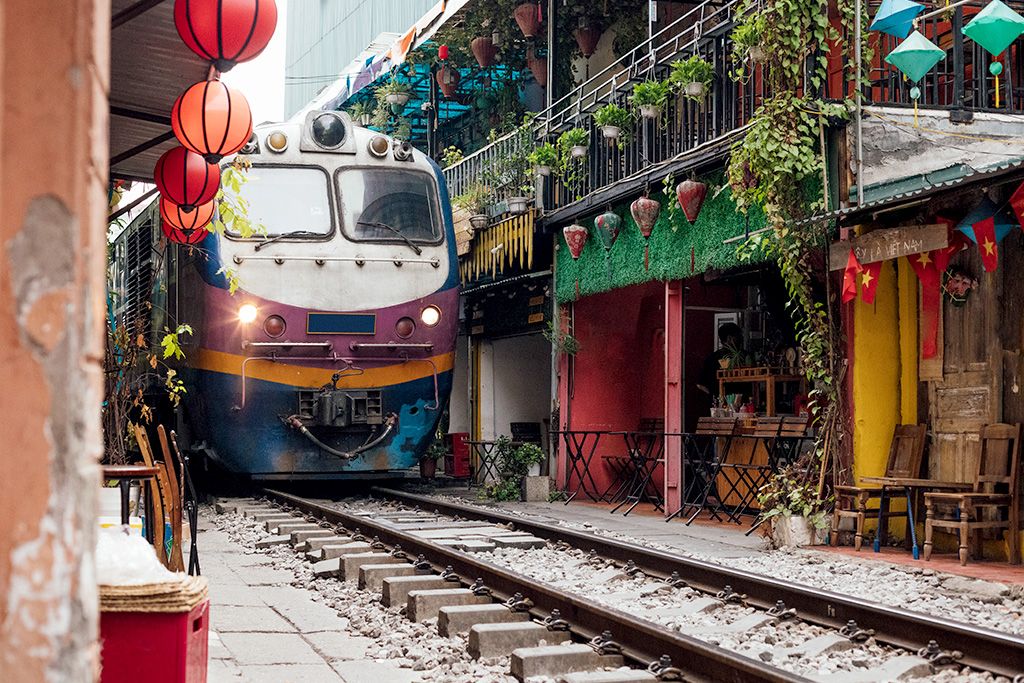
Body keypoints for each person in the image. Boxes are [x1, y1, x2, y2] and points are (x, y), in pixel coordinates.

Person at [697, 322, 744, 398]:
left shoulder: (711, 358)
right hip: (742, 404)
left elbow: (700, 384)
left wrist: (714, 397)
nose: (741, 339)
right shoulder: (744, 356)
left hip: (722, 404)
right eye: (738, 336)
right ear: (729, 338)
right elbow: (700, 384)